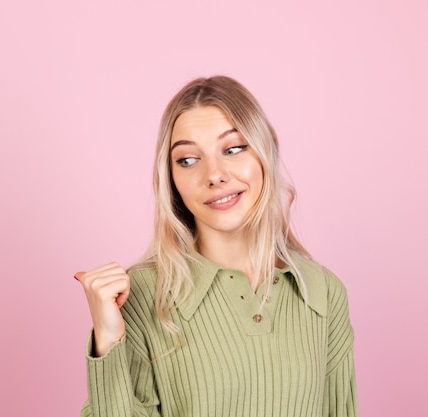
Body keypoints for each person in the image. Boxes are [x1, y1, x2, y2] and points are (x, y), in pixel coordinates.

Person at [74, 76, 358, 417]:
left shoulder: (322, 292)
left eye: (233, 148)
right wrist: (107, 337)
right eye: (188, 160)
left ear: (265, 153)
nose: (214, 175)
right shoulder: (142, 295)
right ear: (172, 180)